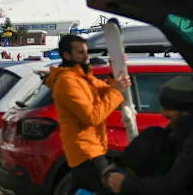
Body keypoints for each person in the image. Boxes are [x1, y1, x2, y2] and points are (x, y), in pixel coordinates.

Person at [104, 76, 193, 195]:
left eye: (168, 108)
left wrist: (125, 184)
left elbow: (173, 185)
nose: (162, 113)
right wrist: (116, 167)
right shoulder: (177, 129)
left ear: (185, 110)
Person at [45, 33, 130, 195]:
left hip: (93, 147)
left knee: (84, 189)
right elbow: (92, 117)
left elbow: (104, 92)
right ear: (66, 55)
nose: (86, 57)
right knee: (110, 188)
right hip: (85, 150)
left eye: (86, 52)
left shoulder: (83, 77)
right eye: (80, 53)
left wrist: (115, 75)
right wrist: (117, 91)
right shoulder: (67, 82)